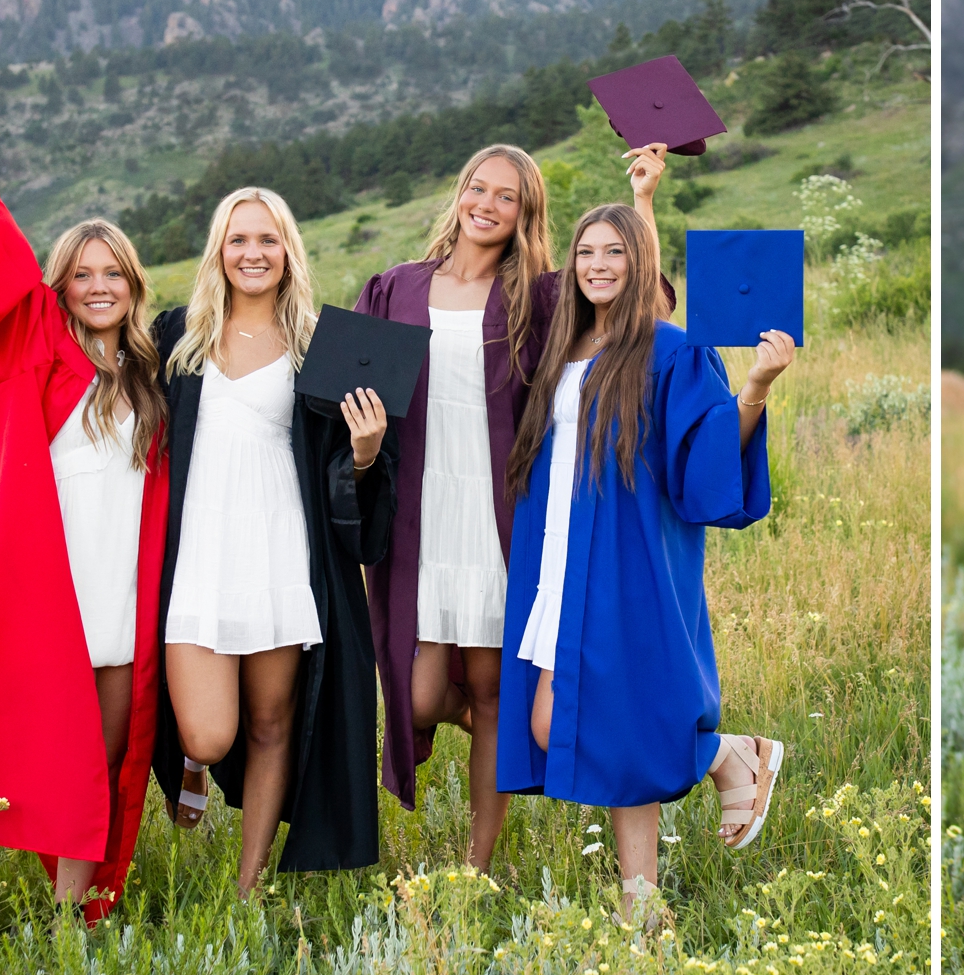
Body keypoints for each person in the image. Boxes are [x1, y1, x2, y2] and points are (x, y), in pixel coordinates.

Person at [354, 141, 669, 870]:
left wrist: (644, 200)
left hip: (502, 512)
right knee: (417, 695)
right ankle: (542, 731)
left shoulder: (543, 294)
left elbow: (640, 309)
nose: (487, 206)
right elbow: (355, 384)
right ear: (459, 193)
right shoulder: (396, 287)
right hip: (420, 515)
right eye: (479, 188)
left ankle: (478, 862)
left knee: (493, 692)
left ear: (526, 213)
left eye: (507, 197)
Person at [494, 204, 795, 930]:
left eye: (615, 253)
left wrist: (754, 387)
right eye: (587, 252)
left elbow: (706, 461)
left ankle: (712, 775)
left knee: (594, 724)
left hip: (624, 562)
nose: (597, 265)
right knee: (566, 724)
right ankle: (651, 896)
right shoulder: (563, 347)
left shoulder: (671, 352)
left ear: (640, 266)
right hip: (558, 560)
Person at [0, 97, 169, 920]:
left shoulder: (151, 376)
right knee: (55, 752)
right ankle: (67, 919)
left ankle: (82, 905)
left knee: (105, 751)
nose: (99, 288)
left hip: (121, 594)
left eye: (114, 275)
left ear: (133, 287)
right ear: (61, 287)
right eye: (83, 275)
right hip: (51, 592)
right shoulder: (37, 350)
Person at [150, 186, 393, 896]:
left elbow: (346, 473)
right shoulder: (177, 337)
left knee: (270, 724)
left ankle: (249, 882)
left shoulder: (323, 347)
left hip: (283, 556)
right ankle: (190, 766)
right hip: (198, 557)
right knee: (208, 735)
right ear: (217, 252)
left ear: (288, 251)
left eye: (267, 239)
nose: (252, 253)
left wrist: (367, 452)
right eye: (238, 239)